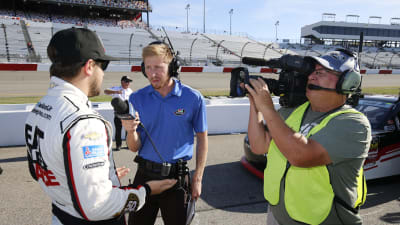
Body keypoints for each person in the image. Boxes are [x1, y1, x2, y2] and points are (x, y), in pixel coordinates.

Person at [24, 27, 176, 225]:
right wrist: (145, 191)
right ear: (89, 66)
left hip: (61, 214)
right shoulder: (85, 122)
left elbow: (38, 171)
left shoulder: (39, 109)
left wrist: (98, 174)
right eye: (102, 66)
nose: (103, 74)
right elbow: (98, 206)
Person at [245, 49, 371, 225]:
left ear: (347, 82)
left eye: (320, 72)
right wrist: (255, 104)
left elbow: (301, 155)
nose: (311, 76)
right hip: (277, 216)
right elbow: (259, 146)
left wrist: (267, 108)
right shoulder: (291, 112)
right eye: (312, 72)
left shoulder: (354, 124)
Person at [122, 42, 208, 225]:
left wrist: (198, 178)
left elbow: (202, 138)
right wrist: (130, 131)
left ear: (172, 67)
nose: (152, 74)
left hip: (176, 181)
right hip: (144, 177)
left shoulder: (193, 98)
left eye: (158, 68)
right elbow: (133, 147)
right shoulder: (136, 98)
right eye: (148, 68)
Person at [104, 75, 133, 151]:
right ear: (122, 82)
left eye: (129, 82)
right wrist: (115, 92)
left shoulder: (130, 91)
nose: (128, 83)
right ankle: (118, 145)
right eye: (126, 81)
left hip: (127, 112)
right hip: (118, 112)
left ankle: (128, 144)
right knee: (118, 130)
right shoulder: (116, 88)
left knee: (128, 130)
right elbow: (105, 91)